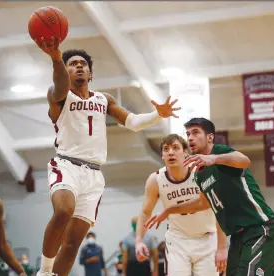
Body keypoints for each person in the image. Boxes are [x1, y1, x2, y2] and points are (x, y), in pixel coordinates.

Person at [33, 35, 181, 276]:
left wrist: (158, 114)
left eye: (83, 64)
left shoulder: (104, 99)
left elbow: (132, 122)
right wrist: (56, 57)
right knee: (63, 211)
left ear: (90, 74)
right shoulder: (59, 95)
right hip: (66, 165)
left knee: (71, 245)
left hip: (94, 175)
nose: (79, 66)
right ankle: (44, 271)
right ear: (65, 71)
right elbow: (59, 85)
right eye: (73, 64)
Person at [145, 118, 274, 276]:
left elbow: (245, 161)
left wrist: (214, 158)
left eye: (195, 133)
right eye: (188, 134)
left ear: (210, 137)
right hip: (238, 237)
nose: (190, 138)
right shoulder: (200, 173)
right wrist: (169, 210)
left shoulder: (220, 152)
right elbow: (202, 203)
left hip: (260, 229)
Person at [135, 134, 227, 276]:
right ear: (162, 156)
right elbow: (145, 212)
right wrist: (139, 241)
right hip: (177, 241)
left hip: (207, 239)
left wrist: (222, 247)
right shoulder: (155, 180)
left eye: (175, 148)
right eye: (166, 149)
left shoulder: (201, 172)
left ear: (186, 152)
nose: (170, 152)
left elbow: (219, 209)